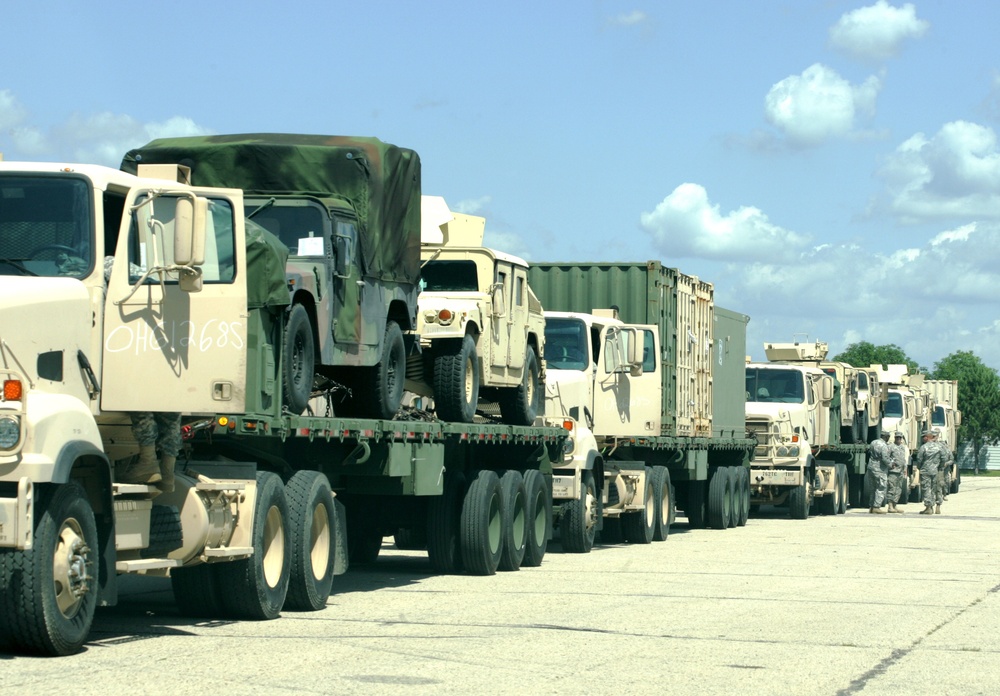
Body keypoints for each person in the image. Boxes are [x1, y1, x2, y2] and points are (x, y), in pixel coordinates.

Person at [916, 429, 947, 514]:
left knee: (926, 489)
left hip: (925, 471)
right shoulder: (939, 447)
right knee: (933, 489)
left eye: (923, 437)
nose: (922, 439)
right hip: (935, 471)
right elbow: (944, 458)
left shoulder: (924, 447)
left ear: (927, 437)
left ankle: (928, 507)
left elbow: (919, 459)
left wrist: (920, 467)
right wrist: (939, 467)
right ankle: (932, 506)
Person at [866, 431, 891, 514]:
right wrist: (891, 465)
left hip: (871, 466)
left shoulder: (873, 442)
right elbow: (885, 458)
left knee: (873, 488)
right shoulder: (884, 446)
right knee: (881, 487)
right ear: (886, 437)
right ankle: (876, 506)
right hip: (880, 468)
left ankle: (871, 506)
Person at [886, 431, 908, 513]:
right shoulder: (891, 446)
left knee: (898, 489)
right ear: (895, 438)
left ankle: (895, 505)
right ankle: (890, 505)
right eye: (897, 437)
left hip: (901, 471)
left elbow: (904, 459)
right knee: (892, 488)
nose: (898, 439)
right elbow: (886, 457)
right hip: (893, 471)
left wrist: (905, 468)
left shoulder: (902, 447)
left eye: (900, 438)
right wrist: (890, 464)